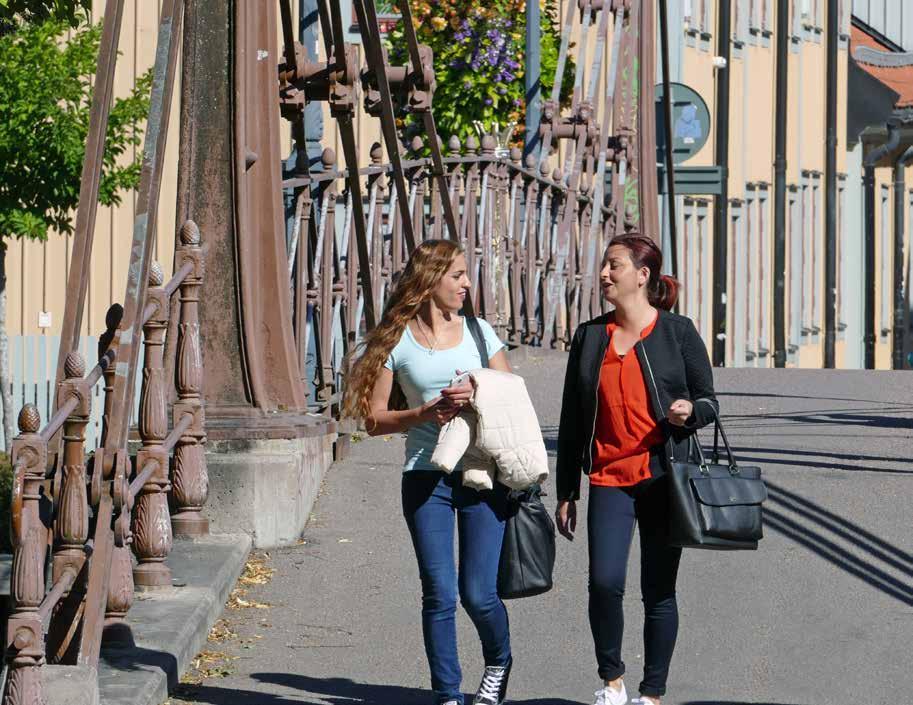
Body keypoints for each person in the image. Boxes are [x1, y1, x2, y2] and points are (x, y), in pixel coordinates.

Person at [342, 239, 514, 705]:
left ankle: (498, 661)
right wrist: (423, 413)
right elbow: (374, 420)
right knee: (438, 592)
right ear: (429, 281)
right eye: (456, 275)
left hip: (482, 474)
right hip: (425, 476)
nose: (465, 283)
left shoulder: (480, 334)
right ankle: (447, 694)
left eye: (465, 274)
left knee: (478, 594)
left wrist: (478, 392)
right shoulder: (398, 343)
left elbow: (513, 397)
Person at [555, 234, 719, 705]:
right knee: (604, 582)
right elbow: (571, 419)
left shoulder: (677, 332)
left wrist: (690, 410)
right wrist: (568, 488)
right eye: (604, 266)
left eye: (614, 266)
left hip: (664, 478)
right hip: (608, 478)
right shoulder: (590, 337)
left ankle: (652, 694)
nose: (604, 274)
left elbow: (709, 402)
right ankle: (612, 682)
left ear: (642, 276)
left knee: (658, 589)